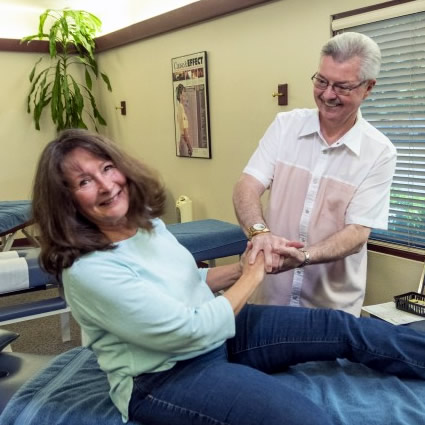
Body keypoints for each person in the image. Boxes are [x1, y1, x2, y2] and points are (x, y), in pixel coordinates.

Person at [32, 129, 424, 425]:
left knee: (341, 327)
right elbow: (189, 331)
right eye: (84, 182)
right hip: (165, 375)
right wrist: (252, 277)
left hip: (220, 329)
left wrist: (252, 262)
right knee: (305, 418)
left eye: (106, 168)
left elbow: (190, 283)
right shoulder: (88, 271)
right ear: (66, 199)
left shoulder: (145, 224)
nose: (106, 185)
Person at [233, 32, 397, 316]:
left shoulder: (379, 152)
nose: (327, 94)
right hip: (268, 301)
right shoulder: (286, 126)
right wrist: (260, 233)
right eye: (322, 81)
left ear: (368, 87)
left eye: (342, 87)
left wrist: (303, 257)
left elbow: (357, 232)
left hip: (329, 314)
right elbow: (246, 186)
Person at [175, 83, 193, 157]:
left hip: (183, 141)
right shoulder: (180, 108)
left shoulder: (180, 107)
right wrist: (190, 147)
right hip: (184, 142)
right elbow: (185, 132)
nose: (185, 96)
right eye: (183, 94)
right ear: (180, 95)